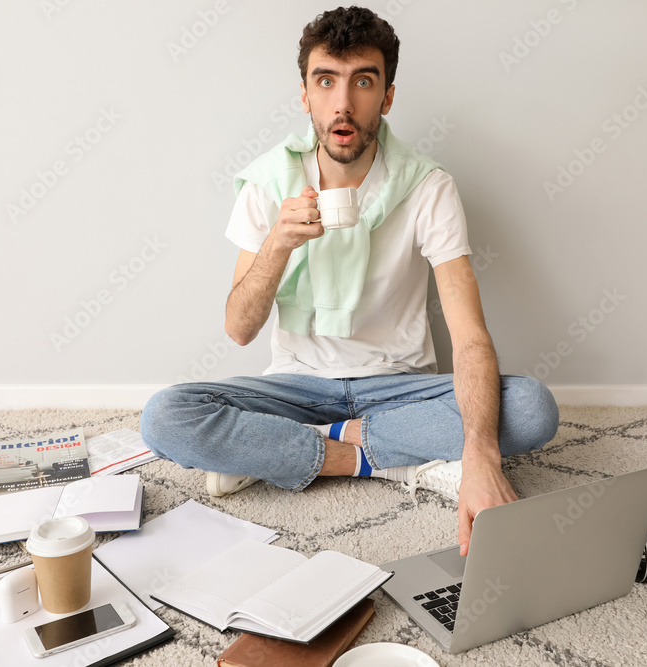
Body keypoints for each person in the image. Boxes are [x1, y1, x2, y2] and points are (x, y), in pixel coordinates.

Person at [141, 6, 558, 556]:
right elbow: (238, 328)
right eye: (326, 80)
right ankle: (395, 459)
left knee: (531, 407)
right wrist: (279, 243)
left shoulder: (427, 187)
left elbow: (470, 335)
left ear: (386, 97)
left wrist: (481, 456)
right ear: (305, 94)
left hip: (399, 386)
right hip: (296, 386)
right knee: (165, 417)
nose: (343, 103)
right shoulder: (269, 184)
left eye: (363, 81)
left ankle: (288, 455)